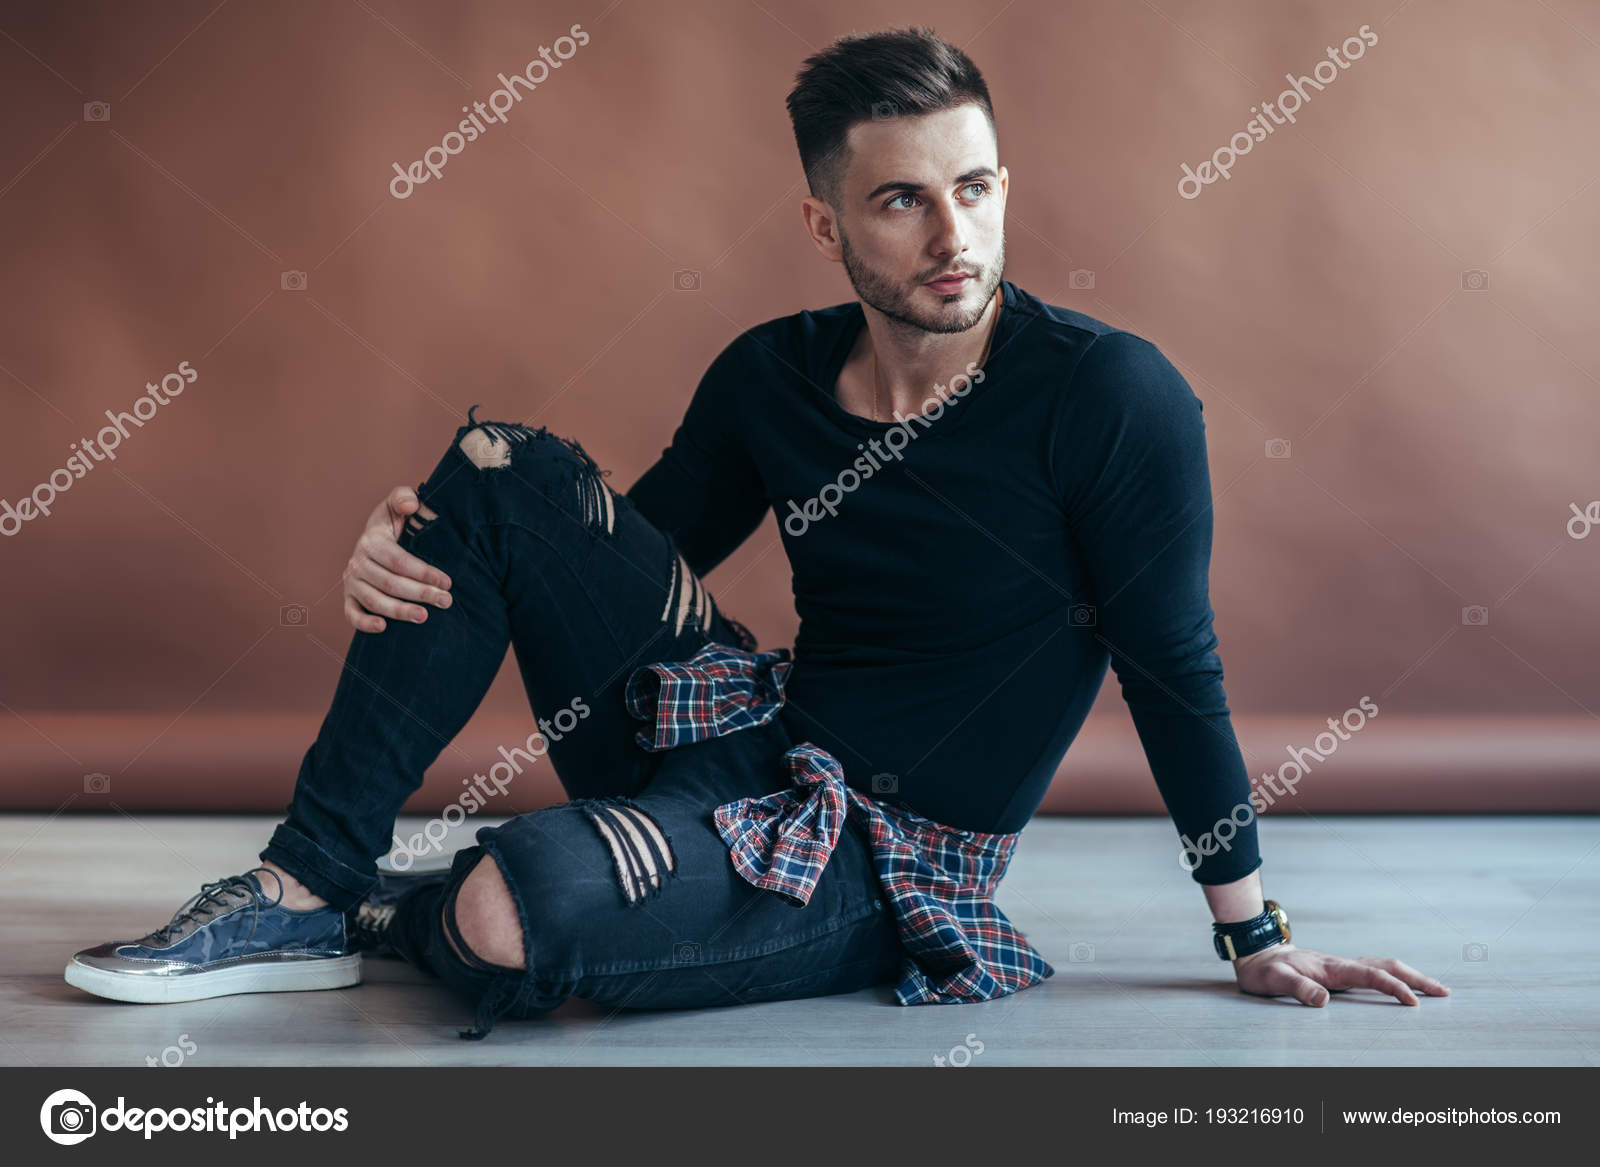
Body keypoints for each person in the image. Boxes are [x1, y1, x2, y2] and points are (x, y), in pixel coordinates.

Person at [64, 27, 1448, 1040]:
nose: (951, 233)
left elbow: (1173, 664)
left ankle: (408, 903)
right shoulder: (772, 375)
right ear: (825, 221)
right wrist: (424, 533)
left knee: (506, 909)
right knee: (499, 465)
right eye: (901, 199)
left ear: (1006, 184)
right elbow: (604, 560)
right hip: (742, 735)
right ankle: (305, 887)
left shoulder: (1107, 396)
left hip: (875, 858)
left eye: (975, 187)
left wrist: (1253, 933)